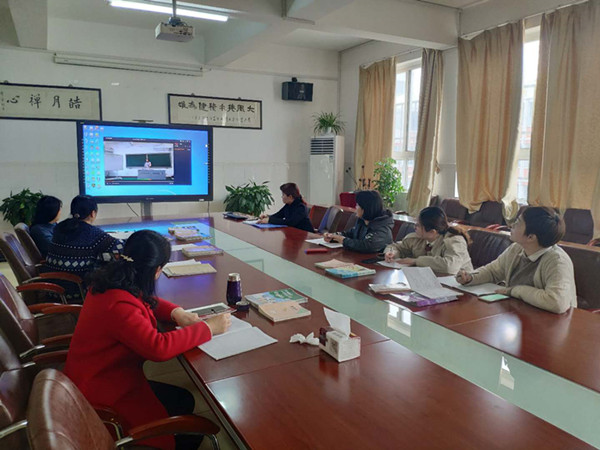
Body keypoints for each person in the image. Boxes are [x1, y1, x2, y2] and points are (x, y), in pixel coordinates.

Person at [64, 230, 231, 450]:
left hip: (100, 376)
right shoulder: (118, 305)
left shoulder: (111, 281)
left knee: (183, 400)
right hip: (103, 392)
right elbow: (158, 348)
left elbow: (143, 299)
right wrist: (208, 328)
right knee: (187, 423)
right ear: (157, 270)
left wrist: (176, 313)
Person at [456, 206, 576, 314]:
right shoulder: (517, 248)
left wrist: (516, 290)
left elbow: (557, 302)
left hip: (551, 323)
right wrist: (471, 277)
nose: (511, 226)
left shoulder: (557, 261)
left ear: (531, 237)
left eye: (517, 223)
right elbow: (493, 271)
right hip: (519, 314)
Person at [44, 195, 124, 302]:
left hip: (51, 289)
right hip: (76, 292)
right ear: (93, 213)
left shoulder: (59, 227)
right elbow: (121, 248)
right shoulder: (93, 233)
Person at [383, 206, 473, 273]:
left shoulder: (454, 241)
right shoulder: (418, 238)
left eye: (418, 225)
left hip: (459, 285)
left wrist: (416, 261)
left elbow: (450, 266)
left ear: (432, 232)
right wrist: (392, 253)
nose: (414, 227)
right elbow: (397, 246)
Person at [323, 190, 393, 253]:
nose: (355, 207)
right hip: (358, 258)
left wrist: (344, 241)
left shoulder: (382, 227)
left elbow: (366, 246)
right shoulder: (362, 221)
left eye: (357, 205)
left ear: (365, 208)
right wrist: (333, 236)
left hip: (373, 261)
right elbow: (350, 234)